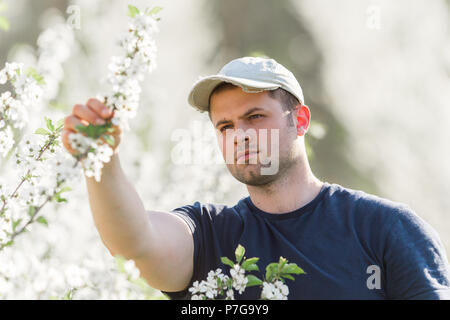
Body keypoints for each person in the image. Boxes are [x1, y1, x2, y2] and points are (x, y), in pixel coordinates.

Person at [61, 56, 450, 299]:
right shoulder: (210, 236)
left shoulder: (384, 227)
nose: (239, 135)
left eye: (255, 117)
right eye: (225, 125)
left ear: (300, 121)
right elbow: (136, 244)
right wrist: (103, 163)